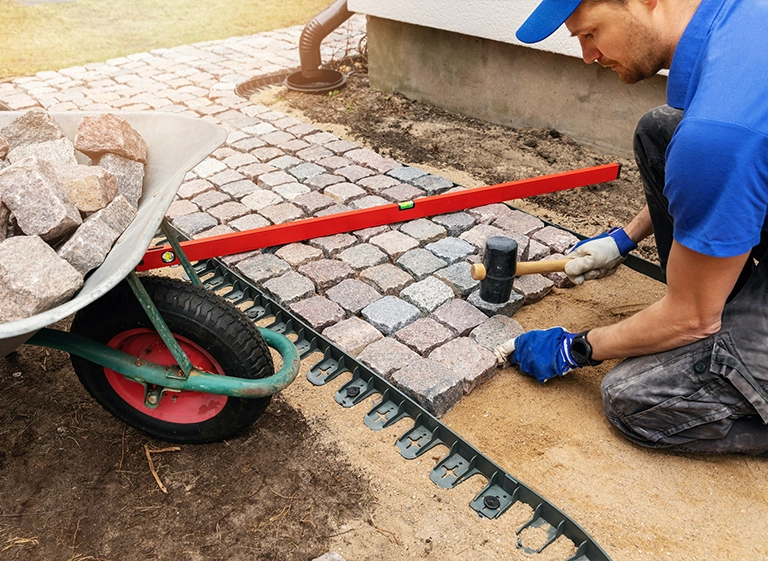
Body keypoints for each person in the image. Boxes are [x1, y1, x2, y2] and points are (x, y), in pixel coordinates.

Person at [497, 0, 768, 455]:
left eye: (590, 34)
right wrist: (623, 239)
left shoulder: (720, 131)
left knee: (634, 400)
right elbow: (713, 176)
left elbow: (692, 319)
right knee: (661, 129)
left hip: (725, 150)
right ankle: (724, 296)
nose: (588, 56)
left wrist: (576, 348)